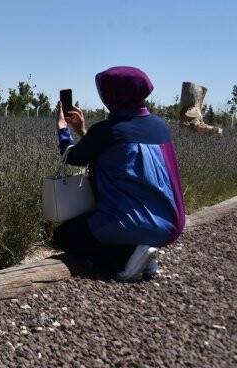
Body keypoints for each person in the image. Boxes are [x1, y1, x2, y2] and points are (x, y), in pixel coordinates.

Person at [54, 66, 186, 281]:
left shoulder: (108, 129)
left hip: (128, 222)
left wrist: (62, 129)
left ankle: (125, 259)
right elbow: (112, 153)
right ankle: (143, 255)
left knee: (65, 237)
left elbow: (72, 157)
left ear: (114, 95)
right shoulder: (160, 126)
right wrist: (83, 131)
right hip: (171, 224)